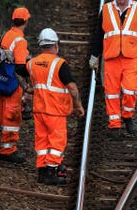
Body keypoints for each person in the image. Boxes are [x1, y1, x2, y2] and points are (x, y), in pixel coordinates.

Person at [89, 0, 137, 138]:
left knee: (131, 89)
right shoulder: (106, 9)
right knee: (111, 92)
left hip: (131, 57)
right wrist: (95, 56)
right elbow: (99, 34)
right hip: (111, 57)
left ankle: (127, 115)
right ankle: (114, 125)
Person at [26, 28, 85, 185]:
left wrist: (27, 90)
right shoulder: (60, 64)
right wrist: (78, 105)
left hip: (39, 110)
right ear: (56, 45)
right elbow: (72, 88)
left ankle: (42, 172)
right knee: (57, 141)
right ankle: (51, 172)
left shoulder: (32, 63)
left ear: (41, 45)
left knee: (42, 141)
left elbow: (27, 79)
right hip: (55, 110)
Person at [0, 7, 33, 163]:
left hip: (1, 79)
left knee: (4, 113)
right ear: (26, 21)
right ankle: (8, 150)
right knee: (12, 116)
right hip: (12, 83)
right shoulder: (20, 40)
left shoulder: (7, 35)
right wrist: (27, 87)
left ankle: (6, 147)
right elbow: (20, 66)